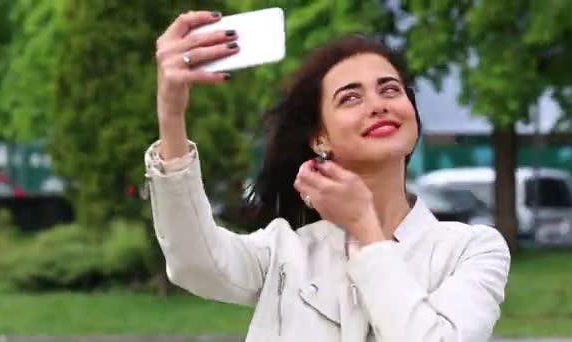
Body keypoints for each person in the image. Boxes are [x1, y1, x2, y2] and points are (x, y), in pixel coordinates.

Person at [145, 10, 511, 342]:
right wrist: (171, 114)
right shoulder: (284, 250)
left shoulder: (471, 249)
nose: (378, 104)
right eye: (351, 98)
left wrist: (365, 230)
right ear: (320, 138)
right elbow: (195, 262)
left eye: (390, 89)